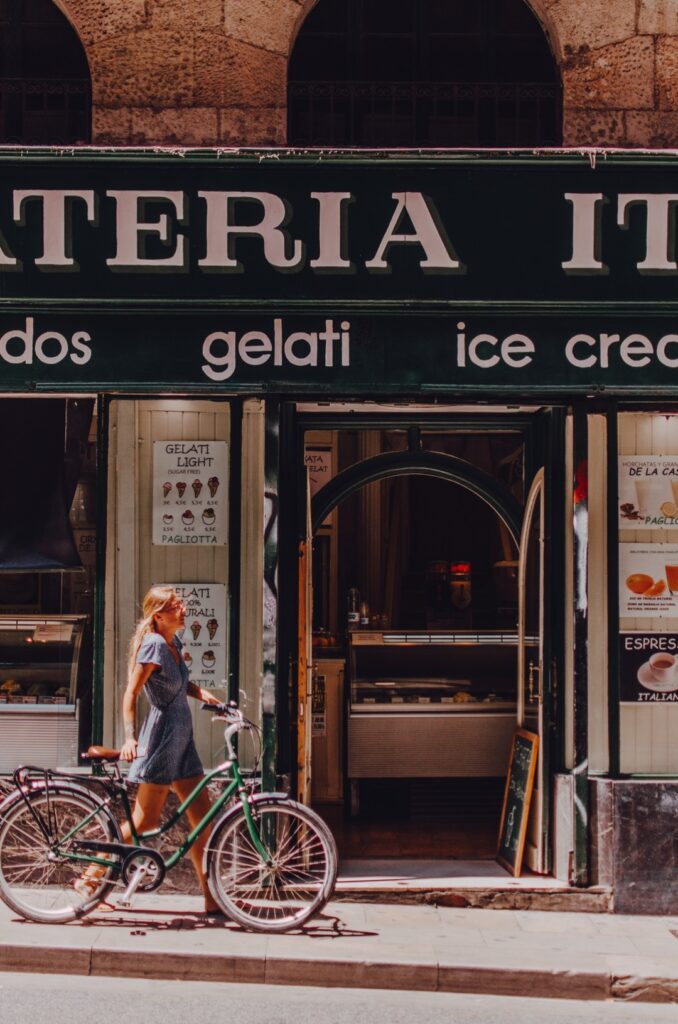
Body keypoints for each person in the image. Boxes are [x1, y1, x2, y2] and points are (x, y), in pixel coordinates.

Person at [77, 586, 222, 913]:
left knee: (203, 821)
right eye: (175, 606)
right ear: (158, 615)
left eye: (181, 604)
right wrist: (130, 738)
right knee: (144, 821)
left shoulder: (173, 643)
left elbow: (179, 683)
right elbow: (131, 693)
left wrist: (204, 694)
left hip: (183, 739)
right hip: (163, 737)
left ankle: (212, 900)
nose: (183, 609)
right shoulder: (154, 646)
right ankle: (90, 877)